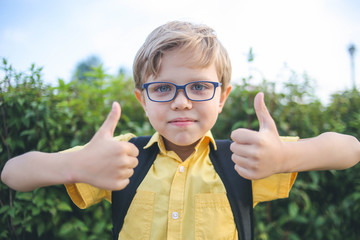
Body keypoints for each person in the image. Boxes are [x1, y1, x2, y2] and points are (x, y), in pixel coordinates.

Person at [1, 21, 360, 240]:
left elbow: (349, 149)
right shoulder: (119, 158)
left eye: (200, 87)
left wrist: (285, 156)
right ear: (143, 99)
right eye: (162, 88)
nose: (182, 102)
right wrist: (75, 166)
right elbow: (12, 173)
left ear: (223, 97)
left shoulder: (246, 161)